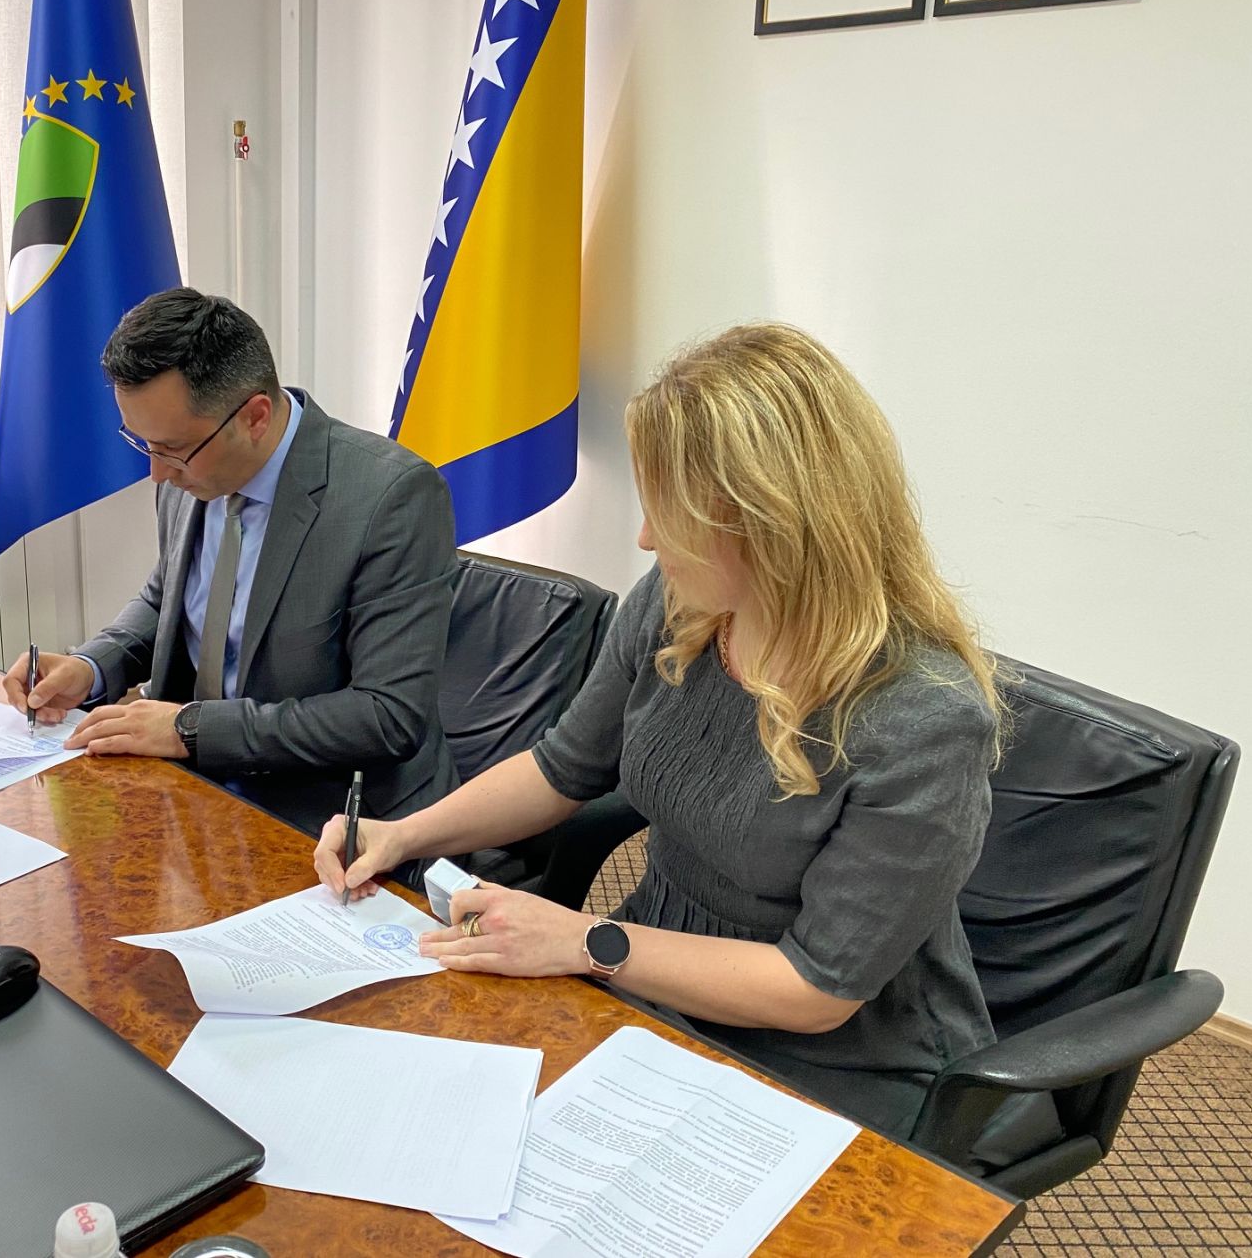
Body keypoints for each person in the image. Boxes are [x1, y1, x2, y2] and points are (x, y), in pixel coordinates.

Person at [315, 322, 1007, 1133]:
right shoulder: (683, 604)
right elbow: (562, 768)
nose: (646, 538)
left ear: (771, 526)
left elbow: (818, 989)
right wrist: (403, 835)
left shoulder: (923, 719)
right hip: (649, 969)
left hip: (834, 1055)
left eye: (669, 515)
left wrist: (584, 941)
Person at [5, 287, 459, 832]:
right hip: (198, 790)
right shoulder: (190, 471)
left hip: (335, 815)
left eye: (172, 450)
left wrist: (191, 729)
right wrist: (92, 666)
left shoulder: (391, 496)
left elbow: (387, 717)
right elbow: (168, 599)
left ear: (255, 417)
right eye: (144, 444)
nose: (157, 473)